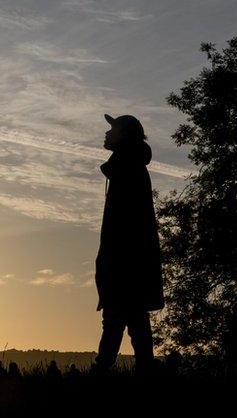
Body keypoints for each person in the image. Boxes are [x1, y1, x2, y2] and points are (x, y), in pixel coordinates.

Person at [93, 114, 163, 375]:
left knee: (119, 315)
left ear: (124, 135)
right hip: (130, 259)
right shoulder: (129, 164)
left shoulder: (126, 167)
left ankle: (103, 368)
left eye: (112, 130)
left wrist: (111, 261)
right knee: (133, 317)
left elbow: (125, 224)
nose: (106, 134)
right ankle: (141, 366)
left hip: (125, 260)